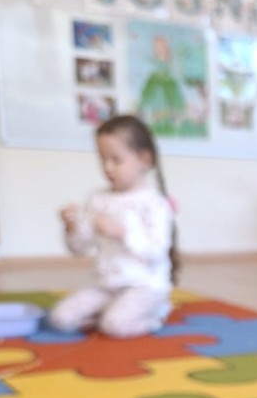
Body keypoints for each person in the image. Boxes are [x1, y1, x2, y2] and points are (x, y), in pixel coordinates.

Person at [50, 114, 176, 338]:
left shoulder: (154, 203)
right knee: (60, 319)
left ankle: (155, 316)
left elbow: (157, 252)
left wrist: (122, 233)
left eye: (116, 160)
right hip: (108, 286)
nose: (107, 167)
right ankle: (110, 313)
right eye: (103, 159)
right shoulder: (98, 199)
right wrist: (71, 225)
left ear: (144, 159)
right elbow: (79, 248)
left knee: (115, 326)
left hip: (145, 286)